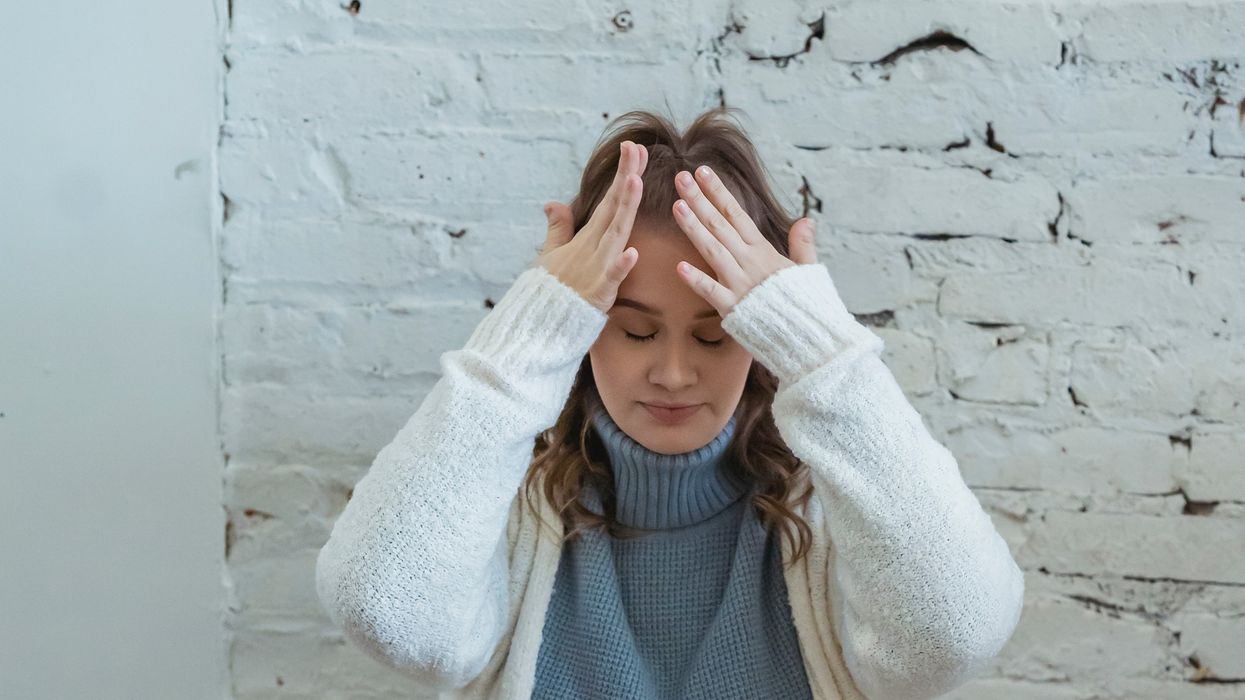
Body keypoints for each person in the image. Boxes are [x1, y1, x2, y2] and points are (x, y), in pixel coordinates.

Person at [314, 106, 1026, 700]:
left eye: (716, 336)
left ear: (762, 335)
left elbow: (955, 634)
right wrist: (522, 341)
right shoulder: (504, 513)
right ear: (580, 323)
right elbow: (383, 612)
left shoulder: (838, 514)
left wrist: (824, 356)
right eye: (634, 330)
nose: (674, 374)